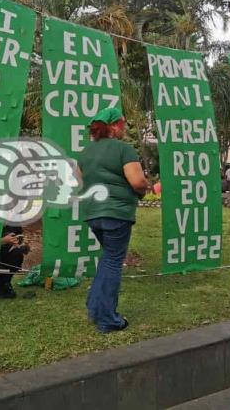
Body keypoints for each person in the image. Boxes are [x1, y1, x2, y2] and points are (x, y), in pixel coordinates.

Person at [78, 107, 148, 333]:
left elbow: (79, 183)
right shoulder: (123, 150)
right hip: (117, 213)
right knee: (113, 262)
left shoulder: (85, 152)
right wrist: (142, 192)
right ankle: (108, 319)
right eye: (123, 124)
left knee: (107, 258)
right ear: (114, 126)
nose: (125, 129)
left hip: (92, 214)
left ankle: (94, 307)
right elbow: (137, 182)